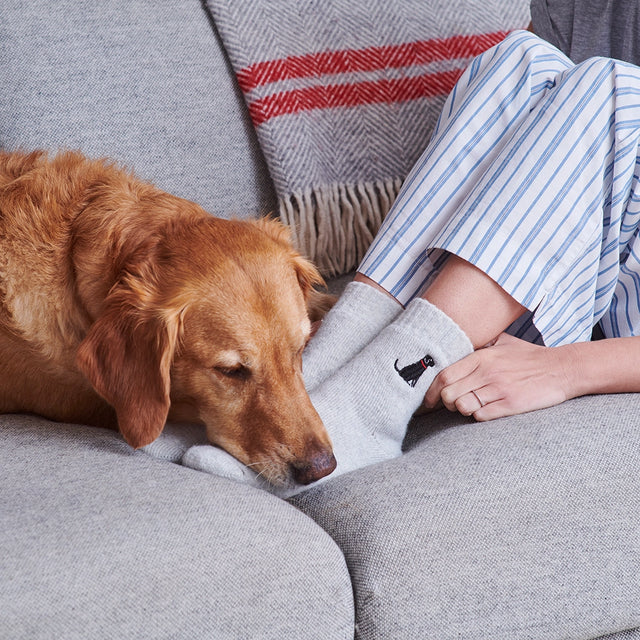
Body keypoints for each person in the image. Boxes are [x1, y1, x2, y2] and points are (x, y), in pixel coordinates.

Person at [184, 27, 640, 495]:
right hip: (580, 266)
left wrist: (567, 369)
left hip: (601, 325)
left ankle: (372, 401)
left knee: (615, 89)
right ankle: (333, 363)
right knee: (525, 63)